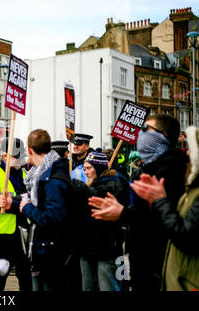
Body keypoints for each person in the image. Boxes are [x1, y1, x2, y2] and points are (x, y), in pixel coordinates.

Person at [88, 114, 188, 291]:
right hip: (144, 261)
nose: (140, 135)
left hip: (159, 265)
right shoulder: (151, 167)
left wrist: (123, 213)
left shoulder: (170, 170)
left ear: (162, 136)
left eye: (145, 130)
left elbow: (161, 220)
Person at [1, 129, 72, 291]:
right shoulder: (41, 175)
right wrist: (12, 203)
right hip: (42, 251)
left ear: (30, 150)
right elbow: (36, 202)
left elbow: (51, 218)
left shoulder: (52, 178)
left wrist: (26, 208)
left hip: (52, 254)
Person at [130, 126, 199, 291]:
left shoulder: (173, 173)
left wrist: (159, 200)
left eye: (148, 129)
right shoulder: (190, 184)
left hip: (186, 280)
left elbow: (183, 235)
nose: (188, 153)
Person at [0, 137, 32, 292]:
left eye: (21, 156)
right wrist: (18, 201)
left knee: (26, 275)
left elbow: (30, 196)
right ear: (5, 156)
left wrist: (14, 200)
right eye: (16, 156)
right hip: (0, 234)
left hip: (22, 232)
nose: (20, 160)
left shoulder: (24, 174)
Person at [79, 150, 129, 291]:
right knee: (88, 285)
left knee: (107, 284)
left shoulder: (113, 184)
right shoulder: (91, 184)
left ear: (99, 168)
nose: (86, 172)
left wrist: (83, 190)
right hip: (88, 246)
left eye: (89, 168)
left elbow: (100, 205)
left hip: (106, 246)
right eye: (84, 169)